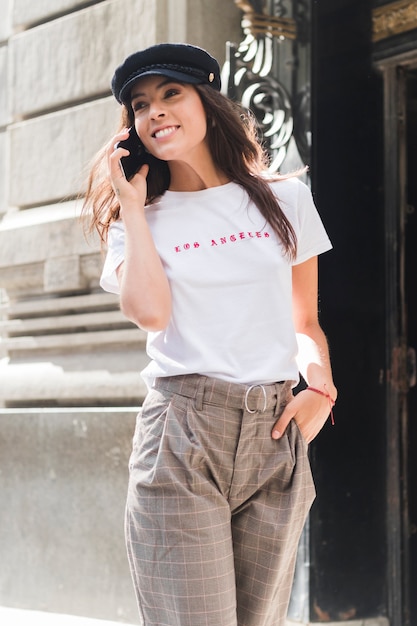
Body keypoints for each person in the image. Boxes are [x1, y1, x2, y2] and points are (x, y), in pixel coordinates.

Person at [83, 42, 337, 626]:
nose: (155, 112)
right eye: (140, 105)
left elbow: (304, 323)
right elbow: (149, 312)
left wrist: (320, 386)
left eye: (171, 93)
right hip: (183, 433)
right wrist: (134, 209)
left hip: (274, 435)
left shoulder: (285, 200)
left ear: (208, 102)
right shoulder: (137, 221)